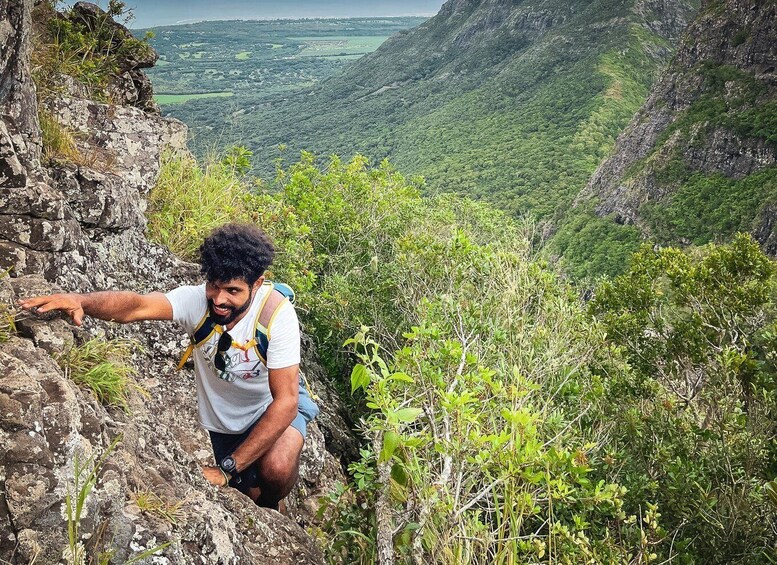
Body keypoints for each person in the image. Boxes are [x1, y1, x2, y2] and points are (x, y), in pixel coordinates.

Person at [18, 223, 319, 510]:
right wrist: (80, 300)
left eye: (233, 291)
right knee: (247, 491)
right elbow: (136, 305)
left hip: (270, 406)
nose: (219, 300)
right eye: (214, 286)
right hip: (225, 421)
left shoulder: (276, 316)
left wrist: (227, 469)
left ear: (257, 284)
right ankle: (260, 502)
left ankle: (272, 511)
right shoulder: (196, 302)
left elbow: (286, 402)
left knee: (276, 470)